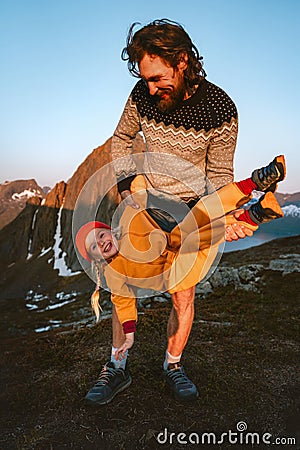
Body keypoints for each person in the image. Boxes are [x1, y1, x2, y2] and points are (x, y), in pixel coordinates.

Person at [76, 155, 286, 405]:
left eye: (100, 234)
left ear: (108, 228)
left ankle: (254, 185)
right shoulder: (114, 273)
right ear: (96, 258)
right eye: (95, 247)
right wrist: (129, 335)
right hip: (173, 267)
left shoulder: (126, 219)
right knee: (192, 250)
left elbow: (139, 194)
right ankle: (251, 217)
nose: (101, 242)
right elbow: (123, 304)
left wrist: (137, 188)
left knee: (200, 214)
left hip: (175, 235)